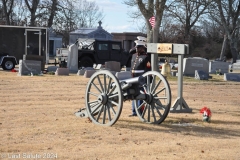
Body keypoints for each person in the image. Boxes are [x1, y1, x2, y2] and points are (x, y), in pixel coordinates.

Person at [129, 40, 151, 116]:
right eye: (136, 47)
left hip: (141, 78)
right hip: (133, 77)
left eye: (138, 47)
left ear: (142, 48)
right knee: (133, 94)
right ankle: (134, 111)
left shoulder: (146, 57)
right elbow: (130, 52)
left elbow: (148, 69)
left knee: (140, 94)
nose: (137, 49)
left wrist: (147, 79)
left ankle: (140, 111)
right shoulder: (134, 55)